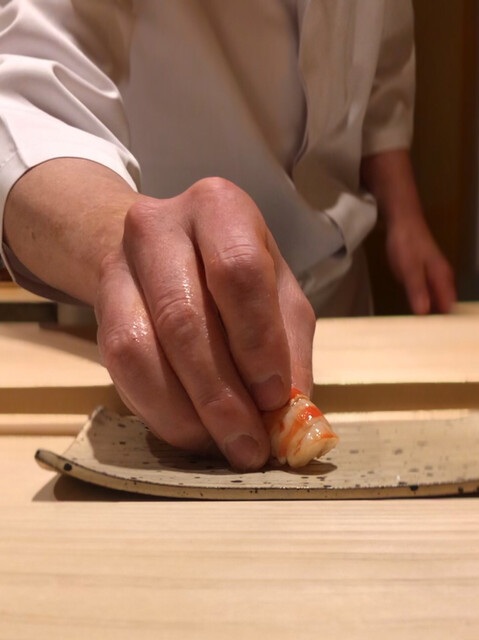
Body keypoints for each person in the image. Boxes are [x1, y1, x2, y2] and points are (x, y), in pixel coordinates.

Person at [0, 0, 455, 470]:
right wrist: (122, 245)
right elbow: (27, 79)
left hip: (341, 291)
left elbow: (384, 59)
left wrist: (406, 216)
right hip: (155, 330)